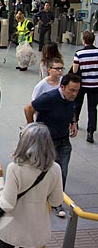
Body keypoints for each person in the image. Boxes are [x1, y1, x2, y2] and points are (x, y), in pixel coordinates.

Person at [0, 123, 64, 248]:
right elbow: (56, 201)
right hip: (36, 227)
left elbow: (7, 204)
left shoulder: (15, 168)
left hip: (12, 225)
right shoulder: (55, 168)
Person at [24, 73, 81, 218]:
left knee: (61, 171)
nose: (74, 94)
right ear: (62, 87)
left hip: (64, 140)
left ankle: (57, 201)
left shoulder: (71, 98)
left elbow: (72, 108)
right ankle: (39, 197)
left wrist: (73, 122)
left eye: (77, 90)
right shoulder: (49, 98)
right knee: (44, 170)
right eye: (71, 90)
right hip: (47, 142)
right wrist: (32, 128)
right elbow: (28, 109)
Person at [73, 31, 98, 143]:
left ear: (83, 40)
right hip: (95, 84)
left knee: (78, 104)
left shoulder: (79, 53)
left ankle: (75, 122)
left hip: (82, 84)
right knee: (92, 108)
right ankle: (90, 132)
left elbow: (74, 70)